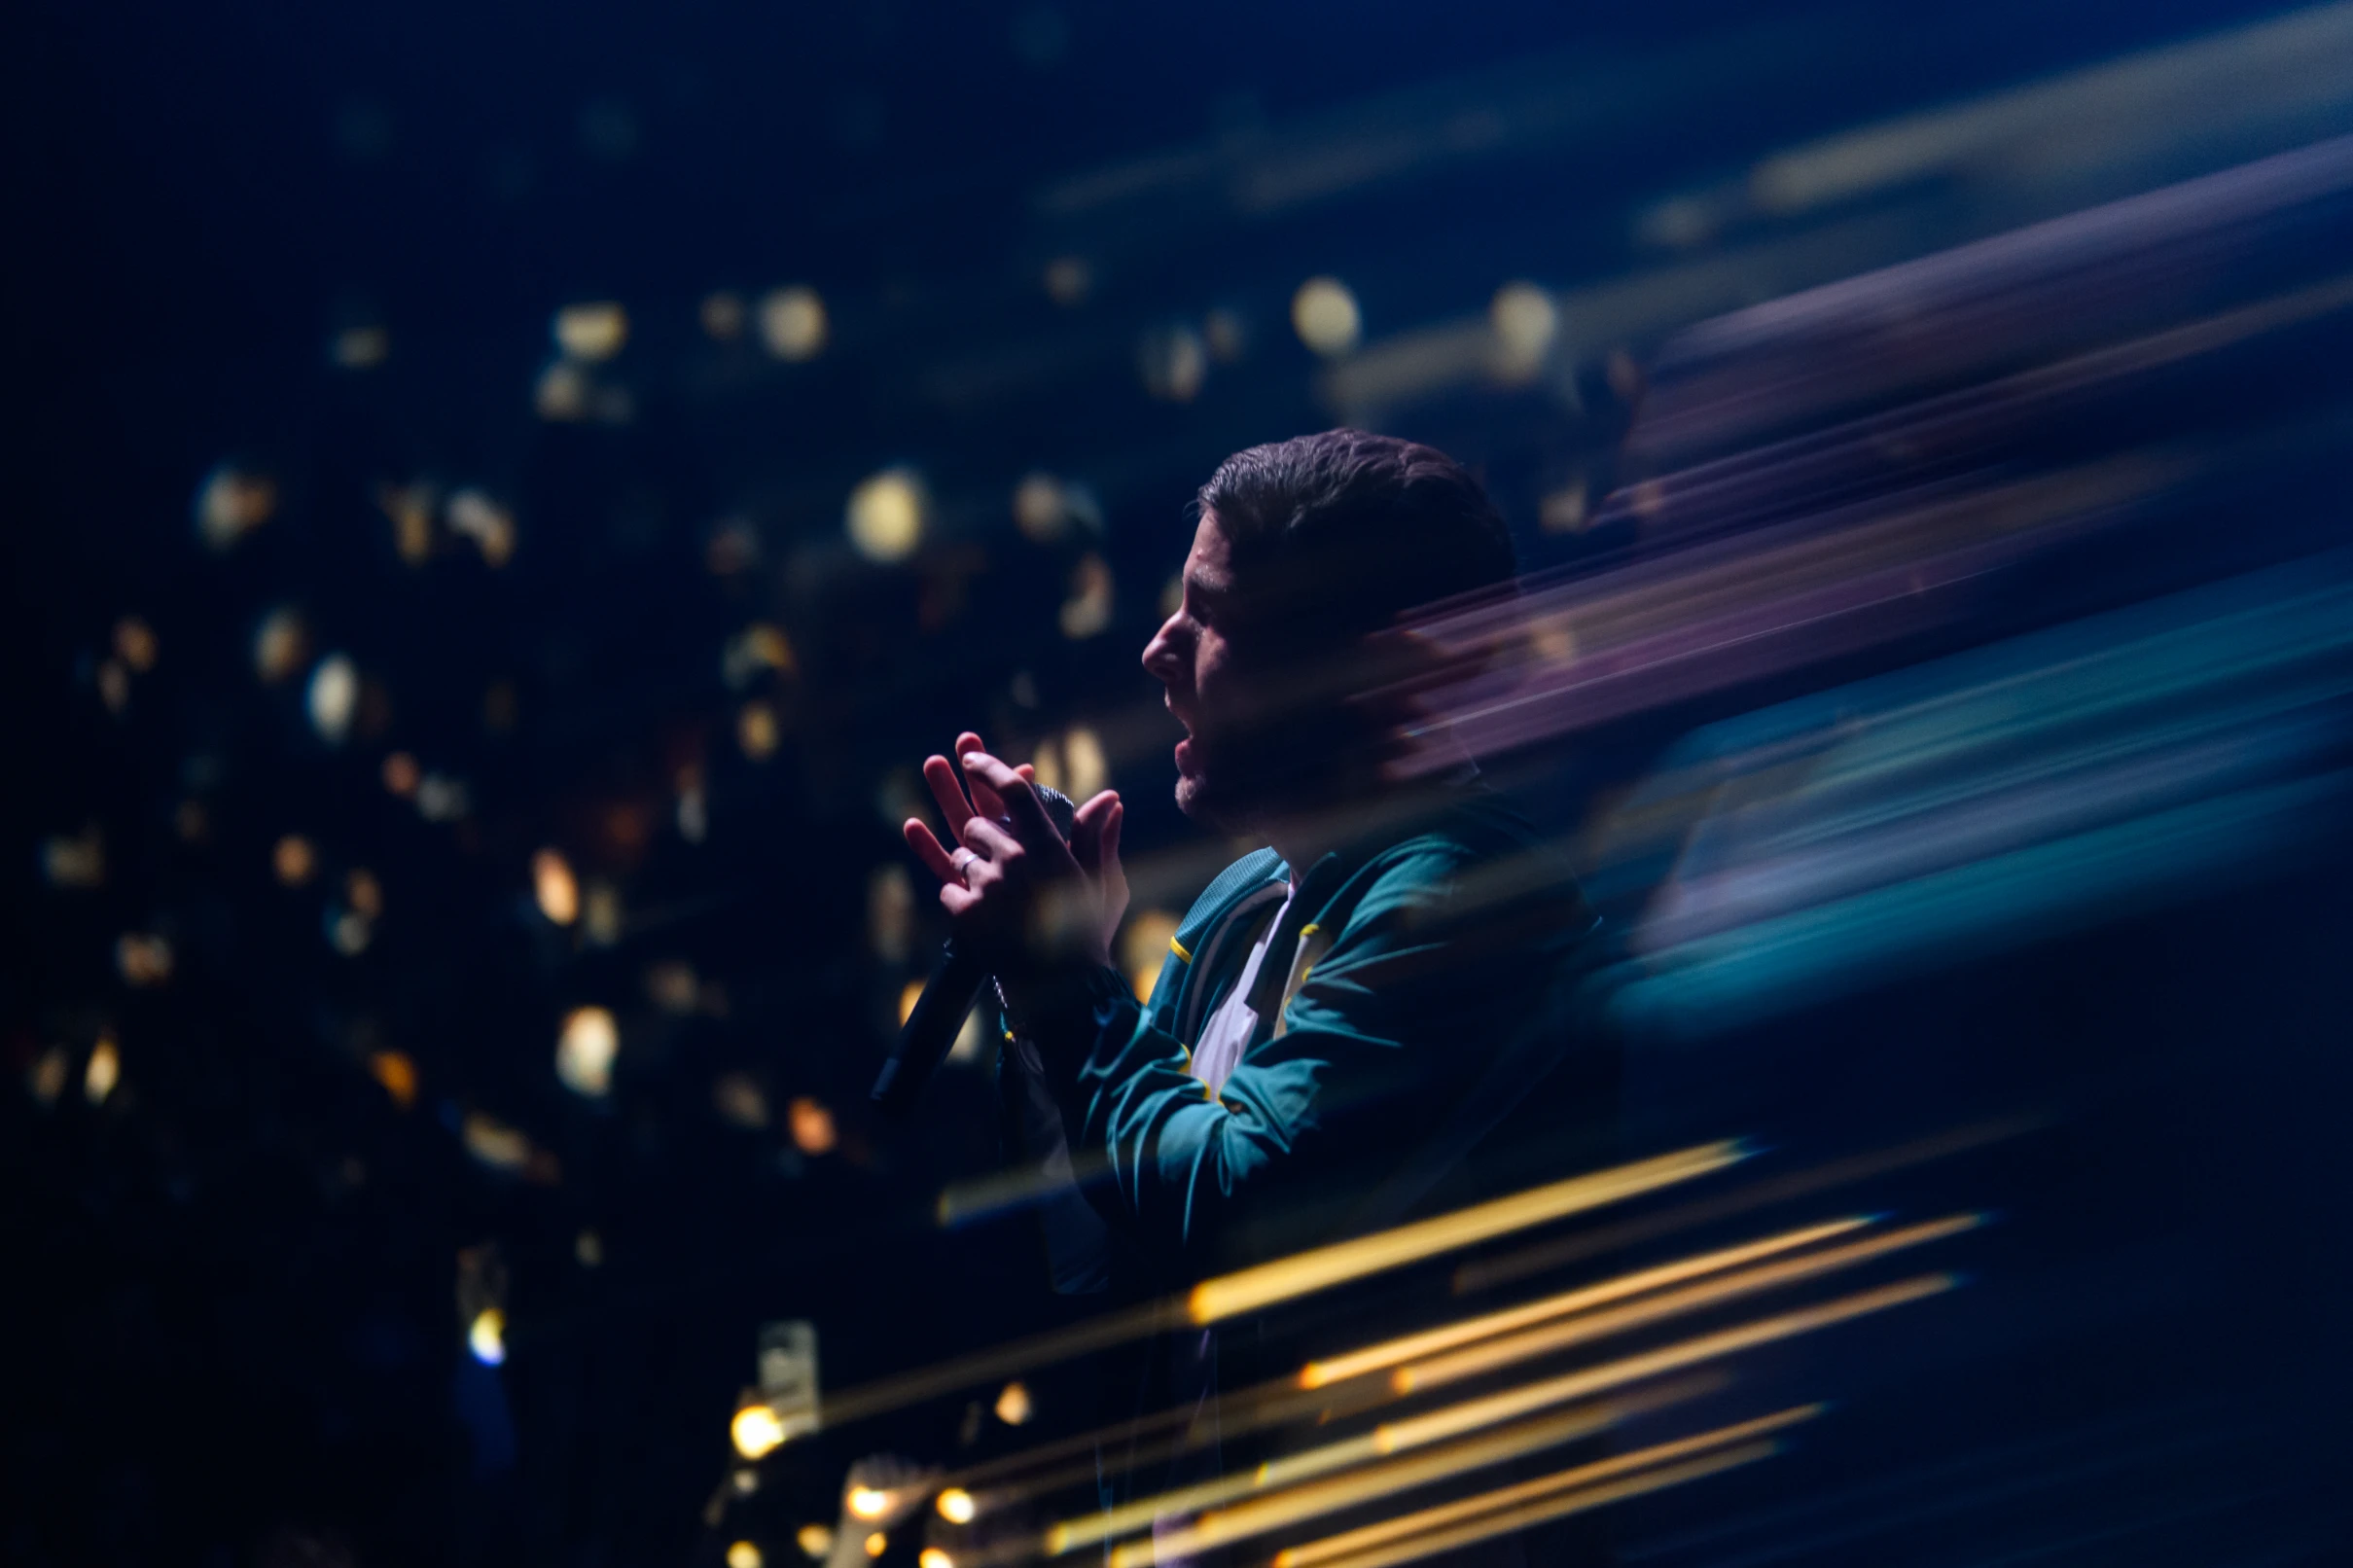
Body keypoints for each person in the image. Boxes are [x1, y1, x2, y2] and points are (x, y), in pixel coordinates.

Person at [903, 430, 1616, 1558]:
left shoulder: (1469, 897)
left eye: (1210, 613)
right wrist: (1040, 995)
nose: (1157, 650)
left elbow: (1241, 1211)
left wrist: (1073, 991)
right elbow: (1103, 1252)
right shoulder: (1240, 904)